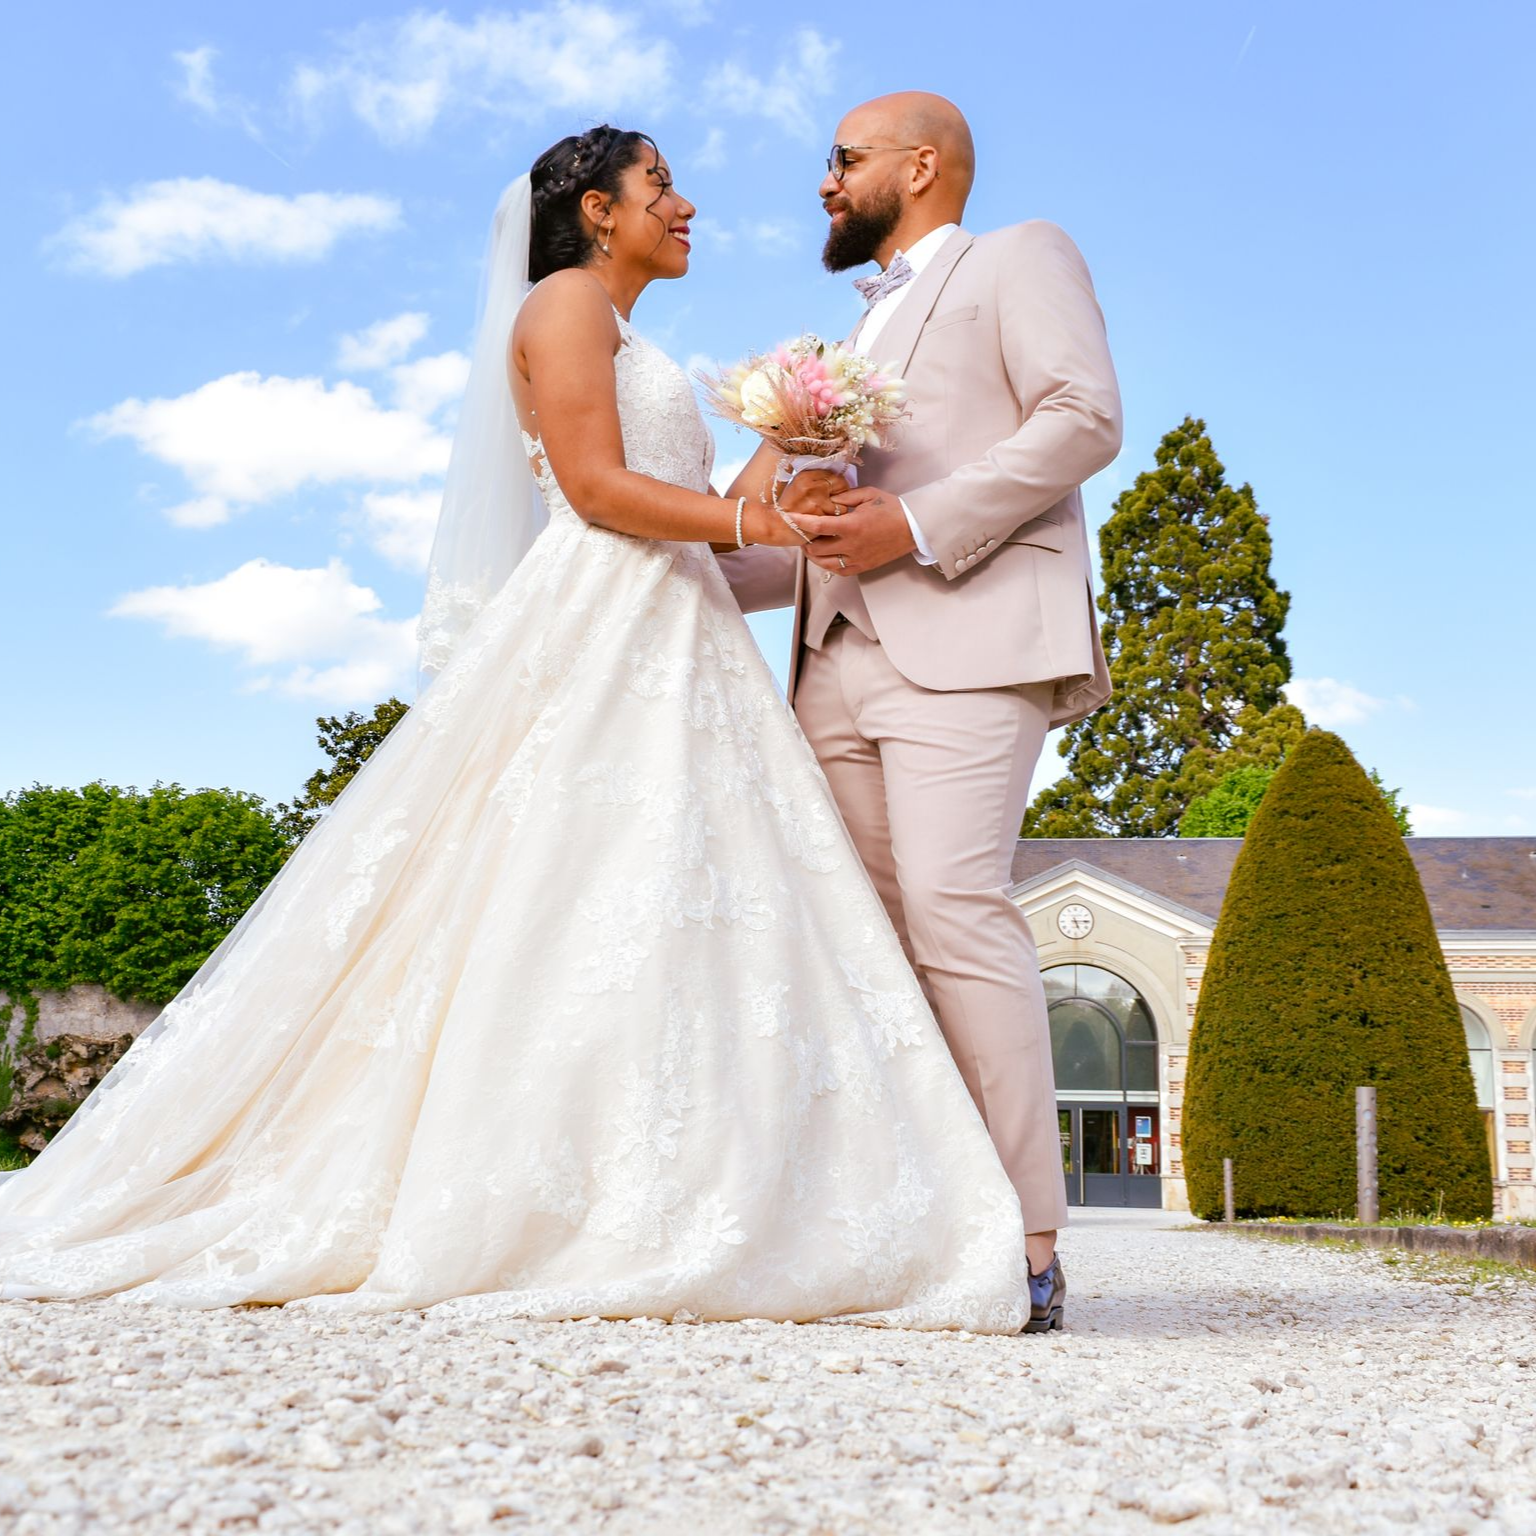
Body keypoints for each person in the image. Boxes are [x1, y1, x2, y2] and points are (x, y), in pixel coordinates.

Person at [0, 126, 1038, 1334]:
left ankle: (683, 1181)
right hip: (603, 626)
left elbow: (706, 513)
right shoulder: (561, 305)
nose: (686, 204)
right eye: (662, 186)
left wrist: (784, 461)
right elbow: (597, 491)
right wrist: (753, 527)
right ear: (597, 210)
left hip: (680, 632)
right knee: (567, 894)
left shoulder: (629, 331)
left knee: (681, 908)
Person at [720, 93, 1124, 1334]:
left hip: (971, 631)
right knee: (867, 941)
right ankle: (914, 1227)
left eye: (842, 161)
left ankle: (1031, 1247)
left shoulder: (1020, 256)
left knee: (955, 909)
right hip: (828, 654)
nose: (825, 182)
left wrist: (918, 522)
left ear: (923, 163)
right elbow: (765, 546)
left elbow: (1083, 417)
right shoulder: (832, 341)